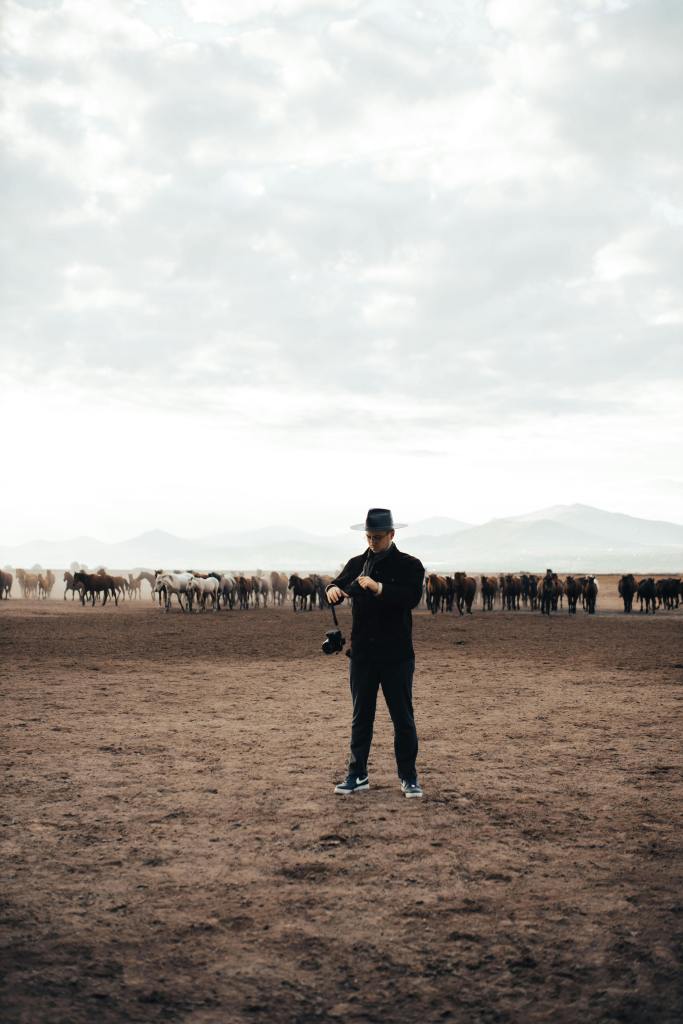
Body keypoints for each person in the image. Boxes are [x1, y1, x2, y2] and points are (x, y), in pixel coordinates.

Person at [326, 508, 425, 798]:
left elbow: (411, 598)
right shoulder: (357, 563)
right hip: (363, 656)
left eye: (378, 537)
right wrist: (332, 589)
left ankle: (409, 777)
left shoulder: (410, 565)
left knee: (403, 718)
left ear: (392, 535)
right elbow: (338, 583)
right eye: (369, 537)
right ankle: (357, 775)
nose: (372, 542)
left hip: (397, 656)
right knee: (361, 717)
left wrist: (379, 587)